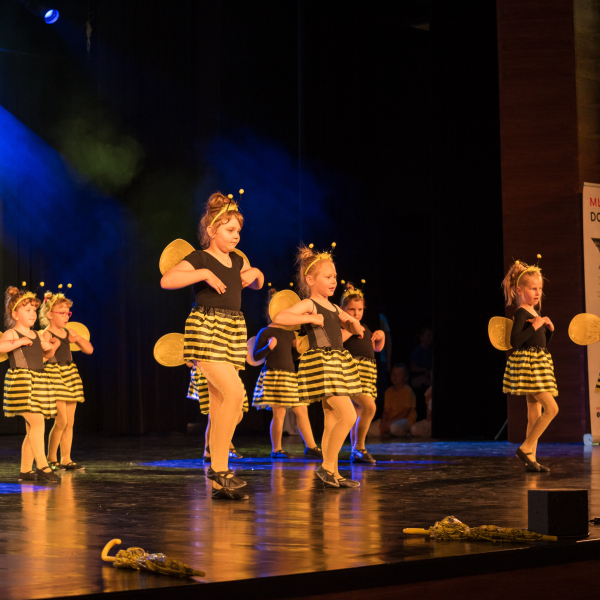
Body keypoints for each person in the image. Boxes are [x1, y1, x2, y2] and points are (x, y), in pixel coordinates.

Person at [161, 192, 264, 500]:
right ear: (211, 230)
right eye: (230, 230)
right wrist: (204, 273)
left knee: (221, 407)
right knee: (235, 394)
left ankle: (220, 480)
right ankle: (219, 469)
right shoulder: (201, 258)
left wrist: (256, 273)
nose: (236, 235)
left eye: (238, 231)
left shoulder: (237, 261)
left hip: (232, 331)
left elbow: (256, 282)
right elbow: (167, 280)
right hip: (206, 329)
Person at [274, 244, 363, 488]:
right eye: (328, 277)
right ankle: (326, 467)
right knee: (348, 415)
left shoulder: (334, 307)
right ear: (311, 280)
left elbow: (358, 330)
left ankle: (332, 471)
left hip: (337, 363)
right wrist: (310, 318)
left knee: (332, 419)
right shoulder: (310, 304)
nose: (333, 281)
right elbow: (280, 317)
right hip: (323, 364)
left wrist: (350, 321)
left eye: (335, 276)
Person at [501, 257, 557, 472]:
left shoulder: (535, 313)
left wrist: (548, 330)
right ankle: (525, 448)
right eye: (533, 289)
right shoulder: (521, 312)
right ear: (519, 290)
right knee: (552, 408)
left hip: (539, 363)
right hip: (529, 367)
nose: (537, 293)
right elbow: (515, 341)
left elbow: (541, 343)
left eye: (539, 289)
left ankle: (531, 458)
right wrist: (535, 326)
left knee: (534, 412)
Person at [0, 287, 60, 482]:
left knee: (32, 428)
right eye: (28, 310)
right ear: (15, 314)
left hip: (38, 381)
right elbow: (1, 346)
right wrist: (19, 342)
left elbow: (45, 358)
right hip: (22, 383)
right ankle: (42, 466)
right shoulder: (12, 333)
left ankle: (25, 470)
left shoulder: (37, 334)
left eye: (34, 310)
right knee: (38, 423)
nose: (33, 314)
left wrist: (49, 349)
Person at [251, 311, 322, 459]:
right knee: (279, 412)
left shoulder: (290, 333)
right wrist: (269, 347)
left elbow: (291, 356)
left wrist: (296, 349)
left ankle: (311, 447)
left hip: (290, 376)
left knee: (302, 409)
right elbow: (256, 356)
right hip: (274, 375)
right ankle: (276, 449)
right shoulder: (265, 331)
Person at [39, 288, 94, 471]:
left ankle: (66, 458)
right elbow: (43, 357)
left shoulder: (68, 332)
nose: (66, 316)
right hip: (54, 374)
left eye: (67, 313)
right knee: (61, 420)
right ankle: (51, 457)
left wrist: (77, 338)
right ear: (50, 315)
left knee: (70, 422)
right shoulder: (46, 334)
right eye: (61, 313)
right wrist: (53, 346)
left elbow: (89, 350)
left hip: (69, 374)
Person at [340, 286, 385, 463]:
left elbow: (376, 349)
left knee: (358, 413)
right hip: (352, 374)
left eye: (359, 309)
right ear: (343, 310)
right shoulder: (344, 328)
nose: (356, 313)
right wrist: (352, 328)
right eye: (352, 309)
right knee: (370, 407)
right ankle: (359, 447)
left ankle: (356, 451)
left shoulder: (365, 327)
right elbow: (337, 342)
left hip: (366, 374)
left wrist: (381, 336)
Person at [187, 364, 246, 461]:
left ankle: (211, 447)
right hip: (209, 372)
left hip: (229, 374)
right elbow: (189, 362)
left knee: (234, 414)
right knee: (214, 416)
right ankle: (213, 449)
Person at [368, 364, 417, 437]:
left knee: (394, 427)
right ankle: (389, 432)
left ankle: (406, 433)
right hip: (390, 419)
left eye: (398, 375)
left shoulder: (408, 391)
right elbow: (386, 411)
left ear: (405, 377)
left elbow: (405, 413)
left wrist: (389, 422)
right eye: (393, 374)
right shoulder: (388, 391)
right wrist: (384, 421)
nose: (395, 377)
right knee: (369, 429)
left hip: (405, 419)